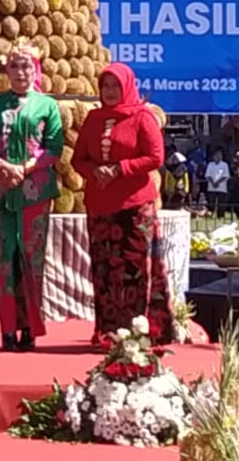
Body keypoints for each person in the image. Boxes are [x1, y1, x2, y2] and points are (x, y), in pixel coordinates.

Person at [73, 61, 172, 346]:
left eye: (116, 86)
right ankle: (108, 332)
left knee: (136, 272)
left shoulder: (143, 116)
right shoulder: (93, 119)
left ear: (127, 86)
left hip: (134, 208)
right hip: (100, 207)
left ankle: (139, 334)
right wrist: (94, 171)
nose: (111, 91)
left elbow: (156, 157)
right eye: (106, 86)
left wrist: (120, 168)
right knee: (104, 272)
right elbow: (78, 158)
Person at [0, 40, 64, 352]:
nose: (20, 72)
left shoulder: (48, 105)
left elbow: (54, 147)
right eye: (14, 66)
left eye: (26, 66)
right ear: (6, 71)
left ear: (35, 69)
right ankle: (6, 330)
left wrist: (25, 168)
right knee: (3, 260)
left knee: (31, 259)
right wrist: (1, 166)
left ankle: (30, 328)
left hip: (34, 192)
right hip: (0, 192)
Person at [203, 149, 230, 215]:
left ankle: (220, 216)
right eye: (216, 155)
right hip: (211, 187)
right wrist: (213, 183)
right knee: (211, 203)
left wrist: (217, 182)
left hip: (221, 188)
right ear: (213, 156)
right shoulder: (210, 164)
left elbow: (226, 176)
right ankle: (211, 214)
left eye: (219, 155)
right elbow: (207, 175)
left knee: (221, 203)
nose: (218, 157)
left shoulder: (225, 165)